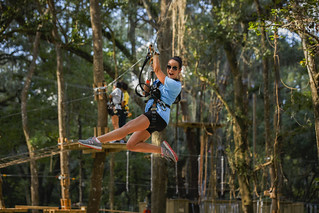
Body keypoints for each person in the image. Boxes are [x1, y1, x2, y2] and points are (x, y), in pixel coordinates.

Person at [78, 54, 182, 162]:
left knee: (126, 128)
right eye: (169, 66)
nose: (171, 70)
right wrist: (148, 78)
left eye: (174, 68)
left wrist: (155, 54)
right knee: (131, 144)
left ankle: (97, 141)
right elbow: (145, 92)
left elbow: (157, 69)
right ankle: (162, 151)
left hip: (158, 114)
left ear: (179, 70)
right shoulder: (160, 81)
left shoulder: (175, 84)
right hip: (157, 118)